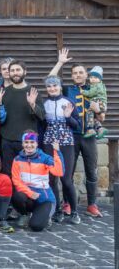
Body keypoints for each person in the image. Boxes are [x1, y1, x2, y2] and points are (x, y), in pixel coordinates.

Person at [48, 48, 103, 217]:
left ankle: (92, 204)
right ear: (72, 76)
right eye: (75, 73)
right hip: (70, 136)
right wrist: (60, 63)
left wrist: (98, 109)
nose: (78, 75)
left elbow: (102, 115)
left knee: (91, 170)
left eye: (81, 72)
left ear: (86, 74)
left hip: (89, 136)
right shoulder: (67, 90)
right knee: (67, 173)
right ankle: (67, 204)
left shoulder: (95, 89)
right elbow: (50, 80)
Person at [42, 76, 81, 224]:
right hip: (49, 142)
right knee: (52, 179)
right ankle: (57, 210)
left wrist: (67, 117)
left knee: (66, 179)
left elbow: (77, 125)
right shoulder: (44, 104)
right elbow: (41, 124)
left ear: (60, 86)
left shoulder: (68, 102)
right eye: (49, 86)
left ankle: (74, 211)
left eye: (55, 86)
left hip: (66, 142)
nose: (52, 89)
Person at [11, 131, 64, 232]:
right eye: (26, 142)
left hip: (44, 199)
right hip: (29, 196)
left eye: (32, 142)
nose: (29, 145)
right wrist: (30, 193)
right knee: (17, 196)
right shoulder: (17, 159)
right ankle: (25, 215)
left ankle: (44, 217)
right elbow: (16, 181)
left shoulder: (45, 158)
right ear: (22, 144)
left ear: (36, 144)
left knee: (36, 226)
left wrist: (57, 152)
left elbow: (59, 172)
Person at [0, 60, 45, 175]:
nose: (15, 73)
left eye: (18, 70)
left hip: (27, 142)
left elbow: (42, 116)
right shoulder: (4, 92)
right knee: (8, 173)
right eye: (12, 70)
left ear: (25, 72)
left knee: (27, 175)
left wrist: (33, 105)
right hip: (7, 140)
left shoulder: (33, 91)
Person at [81, 66, 107, 139]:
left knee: (89, 113)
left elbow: (91, 93)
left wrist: (83, 92)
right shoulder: (100, 85)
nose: (93, 79)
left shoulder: (97, 86)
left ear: (99, 79)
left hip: (98, 102)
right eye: (91, 77)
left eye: (95, 78)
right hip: (101, 103)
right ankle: (100, 129)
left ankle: (90, 129)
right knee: (94, 117)